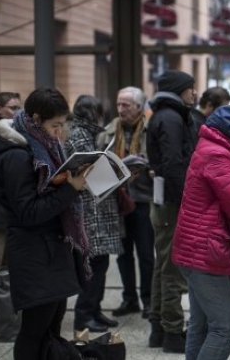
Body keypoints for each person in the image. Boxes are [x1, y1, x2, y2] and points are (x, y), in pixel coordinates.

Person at [0, 88, 89, 360]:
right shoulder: (16, 156)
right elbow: (28, 212)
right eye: (55, 125)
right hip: (33, 253)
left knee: (51, 328)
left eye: (62, 125)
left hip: (51, 252)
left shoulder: (43, 148)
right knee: (34, 331)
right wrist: (71, 189)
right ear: (36, 119)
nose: (59, 132)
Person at [172, 105, 230, 360]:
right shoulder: (217, 155)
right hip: (205, 251)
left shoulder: (221, 150)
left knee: (201, 326)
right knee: (226, 326)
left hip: (198, 247)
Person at [146, 70, 198, 353]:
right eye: (191, 88)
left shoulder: (166, 115)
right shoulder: (171, 118)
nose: (194, 92)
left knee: (162, 265)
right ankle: (173, 331)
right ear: (180, 89)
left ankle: (158, 327)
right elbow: (175, 164)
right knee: (170, 268)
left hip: (163, 200)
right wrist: (186, 202)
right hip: (171, 203)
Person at [65, 95, 124, 333]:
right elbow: (87, 170)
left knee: (100, 262)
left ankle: (95, 310)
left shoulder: (87, 132)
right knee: (93, 263)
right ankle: (84, 314)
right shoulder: (79, 133)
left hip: (97, 203)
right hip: (90, 207)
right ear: (92, 112)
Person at [98, 86, 155, 320]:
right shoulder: (109, 132)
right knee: (123, 254)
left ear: (140, 108)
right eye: (119, 104)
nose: (120, 109)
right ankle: (129, 299)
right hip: (118, 200)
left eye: (126, 105)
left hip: (143, 200)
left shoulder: (151, 130)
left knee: (145, 253)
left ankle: (149, 300)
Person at [0, 91, 21, 339]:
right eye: (11, 108)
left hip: (6, 212)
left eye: (18, 108)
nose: (16, 113)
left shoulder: (8, 130)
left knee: (6, 270)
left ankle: (5, 324)